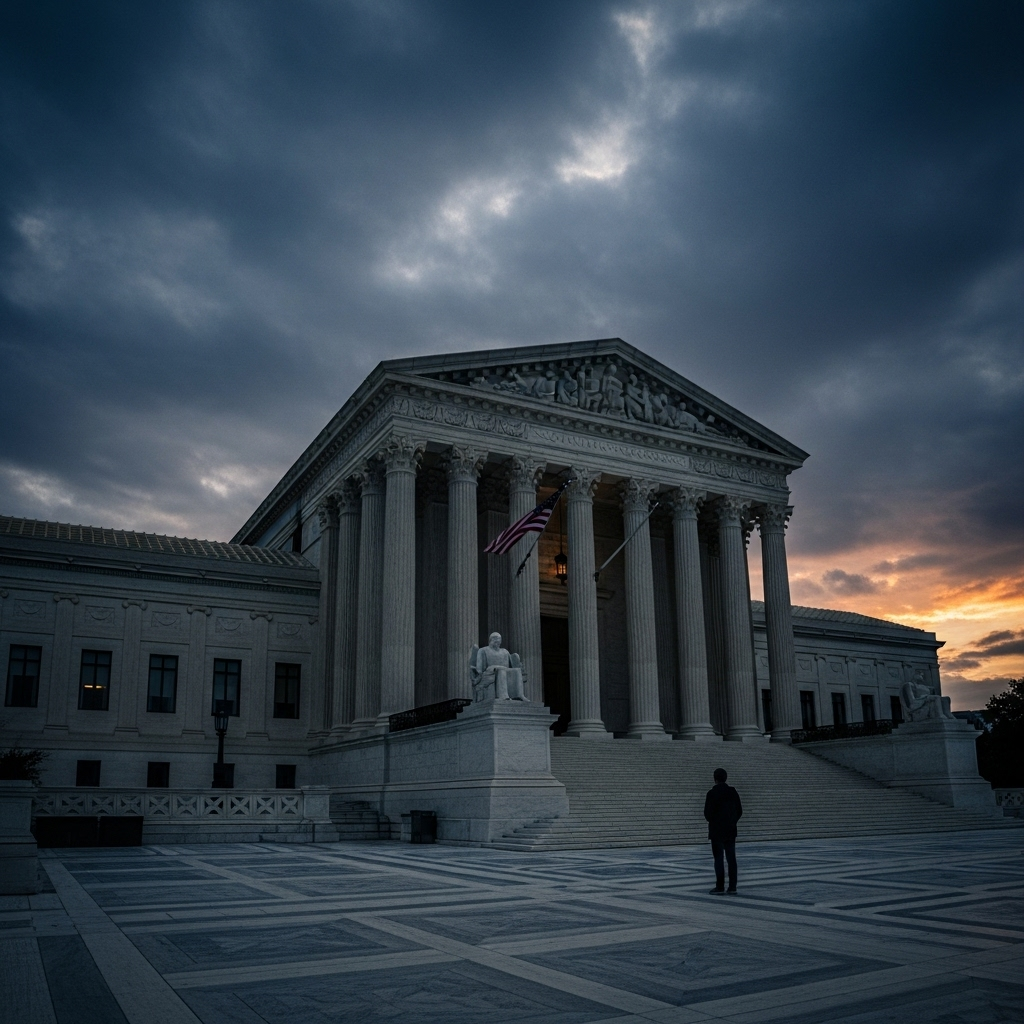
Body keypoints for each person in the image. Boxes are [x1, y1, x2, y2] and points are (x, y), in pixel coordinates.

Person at [704, 768, 742, 894]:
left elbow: (707, 814)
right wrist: (732, 821)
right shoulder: (732, 792)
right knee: (731, 859)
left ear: (715, 779)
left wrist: (715, 822)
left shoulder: (712, 793)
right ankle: (732, 887)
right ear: (725, 778)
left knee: (718, 859)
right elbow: (739, 810)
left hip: (716, 831)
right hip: (730, 830)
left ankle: (720, 886)